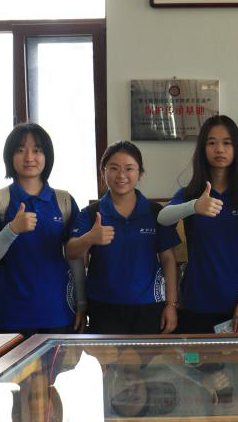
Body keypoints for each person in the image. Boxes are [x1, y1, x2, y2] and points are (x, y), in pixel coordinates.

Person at [158, 115, 238, 334]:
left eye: (227, 143)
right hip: (198, 301)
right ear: (202, 149)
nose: (219, 149)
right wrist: (194, 206)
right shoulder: (190, 194)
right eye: (212, 143)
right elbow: (163, 217)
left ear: (236, 149)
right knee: (198, 357)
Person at [0, 123, 85, 335]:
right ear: (9, 156)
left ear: (47, 156)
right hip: (8, 316)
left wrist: (81, 302)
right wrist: (12, 230)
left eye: (37, 150)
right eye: (20, 150)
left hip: (57, 313)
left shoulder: (64, 201)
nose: (29, 157)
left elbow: (75, 258)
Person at [66, 141, 180, 334]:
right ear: (103, 172)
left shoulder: (155, 212)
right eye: (114, 168)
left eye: (129, 168)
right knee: (109, 356)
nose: (121, 175)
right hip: (103, 306)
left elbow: (168, 259)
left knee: (148, 355)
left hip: (149, 305)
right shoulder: (91, 213)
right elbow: (71, 251)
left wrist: (171, 304)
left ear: (139, 173)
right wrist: (89, 238)